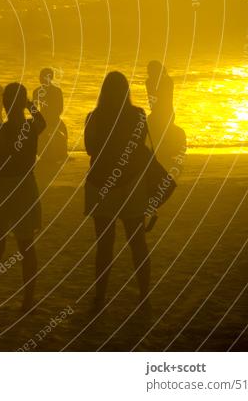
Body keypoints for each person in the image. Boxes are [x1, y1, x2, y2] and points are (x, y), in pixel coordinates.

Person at [84, 71, 151, 314]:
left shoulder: (93, 117)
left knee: (104, 245)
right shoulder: (138, 115)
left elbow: (90, 149)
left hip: (101, 185)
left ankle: (100, 295)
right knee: (137, 242)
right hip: (131, 184)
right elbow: (140, 145)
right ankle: (144, 294)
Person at [0, 83, 45, 315]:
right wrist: (29, 105)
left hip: (4, 189)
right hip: (25, 186)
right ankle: (28, 300)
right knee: (26, 246)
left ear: (4, 103)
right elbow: (43, 121)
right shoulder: (30, 127)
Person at [33, 68, 68, 163]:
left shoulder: (39, 91)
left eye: (42, 76)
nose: (40, 78)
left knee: (64, 131)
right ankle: (63, 154)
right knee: (64, 131)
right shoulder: (55, 91)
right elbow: (60, 108)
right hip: (48, 118)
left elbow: (34, 110)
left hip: (48, 118)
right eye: (40, 76)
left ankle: (63, 154)